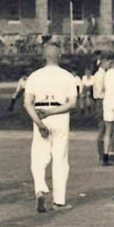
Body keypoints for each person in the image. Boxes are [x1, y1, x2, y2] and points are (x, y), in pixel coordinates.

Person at [24, 42, 78, 212]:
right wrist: (51, 112)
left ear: (43, 56)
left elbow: (27, 103)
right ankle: (59, 201)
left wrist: (39, 122)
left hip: (39, 114)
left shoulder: (34, 76)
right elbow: (72, 103)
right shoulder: (68, 76)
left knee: (39, 157)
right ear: (59, 56)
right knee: (60, 158)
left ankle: (40, 189)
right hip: (59, 115)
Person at [92, 55, 109, 163]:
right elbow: (100, 89)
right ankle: (102, 154)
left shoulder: (103, 74)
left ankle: (104, 153)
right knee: (102, 127)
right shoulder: (100, 75)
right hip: (101, 101)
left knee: (105, 128)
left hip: (102, 101)